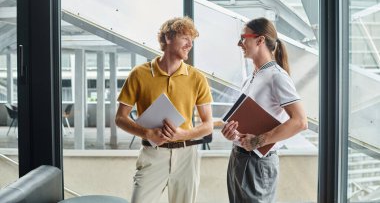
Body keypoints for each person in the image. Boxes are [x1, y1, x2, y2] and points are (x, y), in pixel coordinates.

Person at [115, 16, 213, 203]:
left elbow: (208, 125)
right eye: (185, 38)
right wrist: (148, 133)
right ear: (168, 37)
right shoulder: (139, 74)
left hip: (186, 156)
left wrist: (183, 134)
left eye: (192, 40)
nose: (189, 45)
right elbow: (120, 118)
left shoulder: (197, 78)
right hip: (152, 154)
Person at [221, 17, 308, 203]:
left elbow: (300, 122)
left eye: (243, 38)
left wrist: (259, 141)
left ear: (260, 40)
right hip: (239, 158)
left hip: (258, 162)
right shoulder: (252, 77)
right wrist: (233, 134)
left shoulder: (277, 77)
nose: (239, 43)